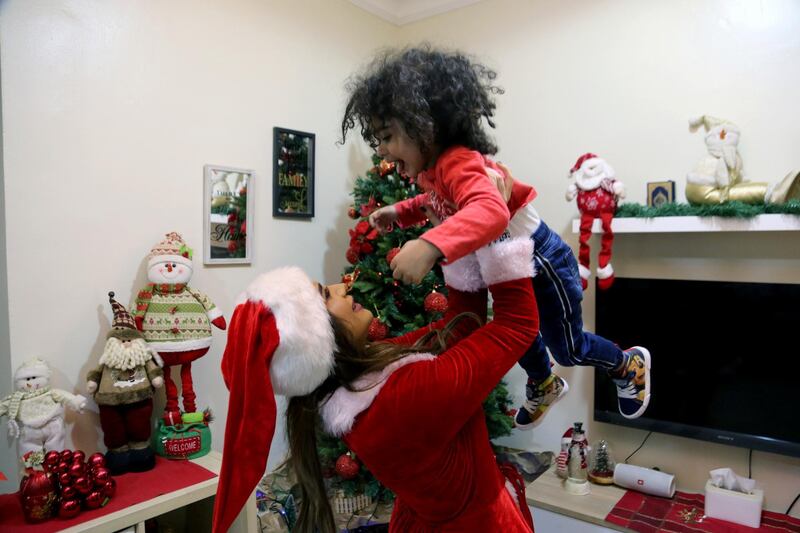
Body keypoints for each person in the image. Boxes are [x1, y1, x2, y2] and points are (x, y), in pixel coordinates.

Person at [340, 45, 650, 427]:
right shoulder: (433, 170)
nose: (382, 150)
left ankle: (627, 364)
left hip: (543, 259)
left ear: (426, 126)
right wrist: (400, 212)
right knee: (515, 329)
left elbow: (489, 211)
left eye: (387, 136)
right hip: (507, 261)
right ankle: (544, 383)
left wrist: (429, 245)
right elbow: (435, 201)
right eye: (378, 140)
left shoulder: (459, 162)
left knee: (567, 348)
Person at [212, 236, 538, 533]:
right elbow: (518, 324)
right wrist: (497, 231)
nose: (342, 287)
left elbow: (459, 326)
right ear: (315, 341)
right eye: (326, 295)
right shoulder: (403, 399)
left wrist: (456, 235)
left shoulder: (364, 379)